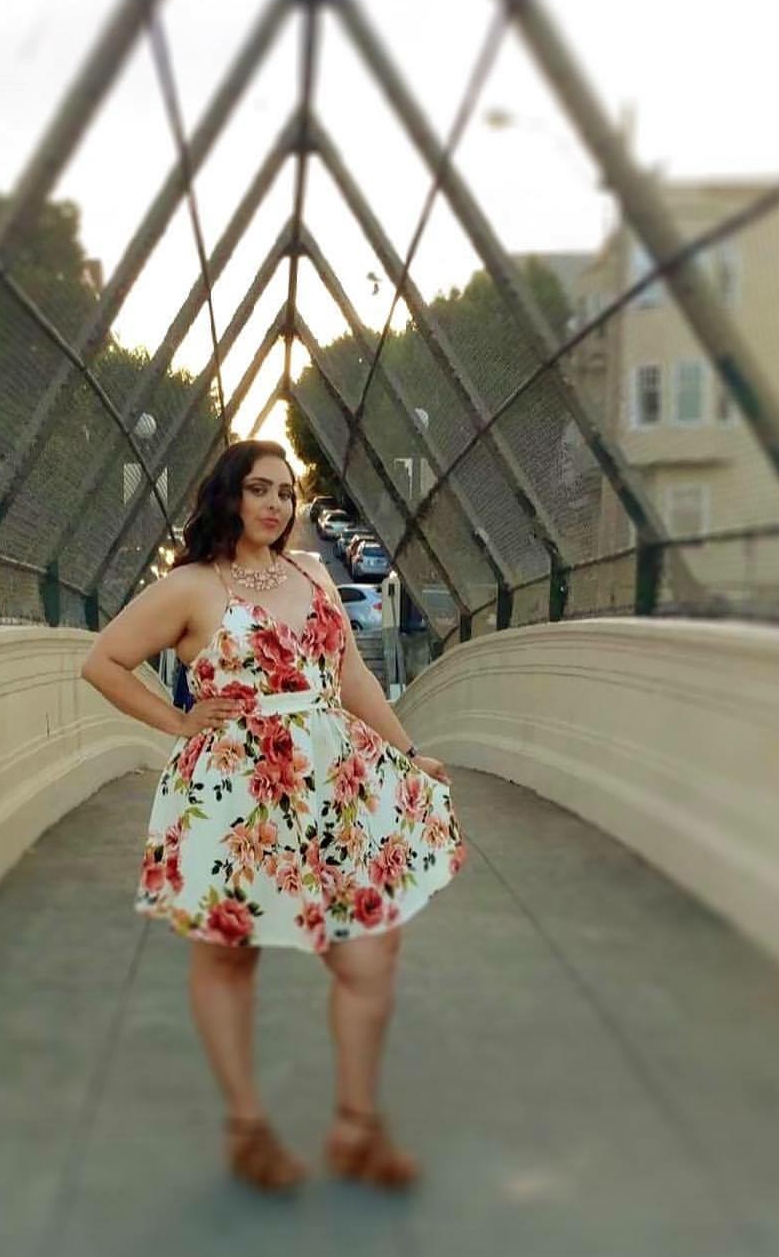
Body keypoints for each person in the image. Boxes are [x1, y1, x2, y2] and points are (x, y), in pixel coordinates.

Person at [81, 439, 467, 1192]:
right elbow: (102, 662)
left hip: (333, 786)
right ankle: (247, 1128)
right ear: (228, 495)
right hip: (234, 795)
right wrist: (178, 722)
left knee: (368, 953)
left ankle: (356, 1127)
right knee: (229, 954)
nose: (275, 504)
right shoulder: (191, 587)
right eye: (259, 489)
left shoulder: (312, 572)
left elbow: (351, 675)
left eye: (286, 493)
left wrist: (408, 752)